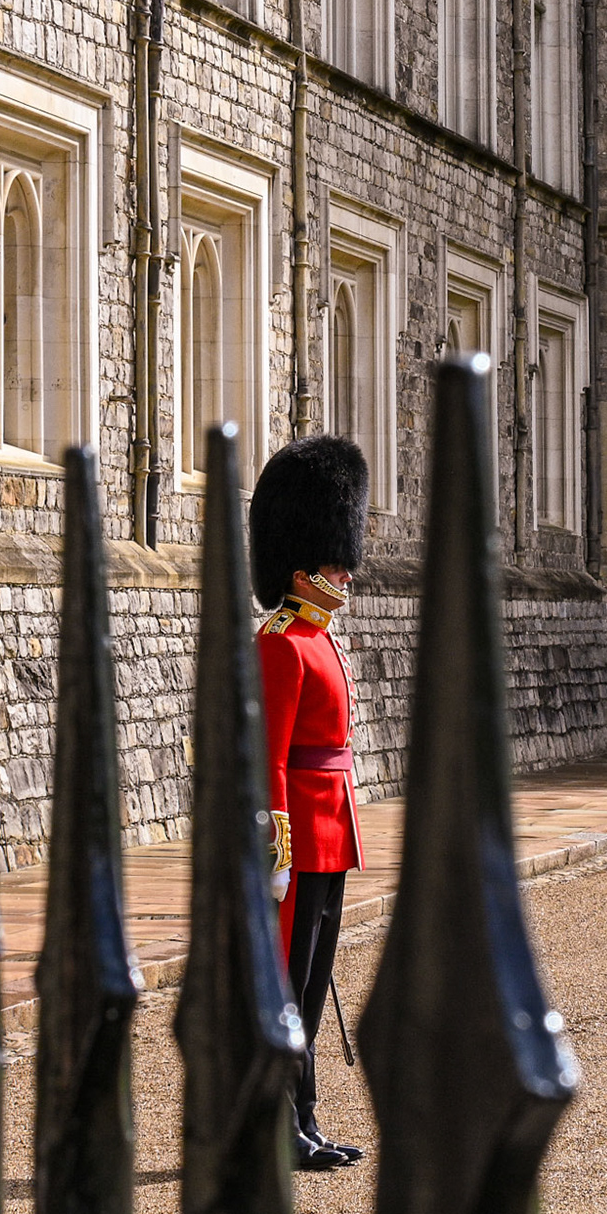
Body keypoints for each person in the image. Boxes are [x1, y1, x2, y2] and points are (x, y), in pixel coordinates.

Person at [250, 434, 370, 1172]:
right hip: (298, 836)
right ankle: (276, 1119)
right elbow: (269, 753)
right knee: (288, 985)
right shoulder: (282, 642)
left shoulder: (322, 639)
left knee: (314, 986)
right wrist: (274, 849)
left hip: (334, 831)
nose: (345, 572)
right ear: (301, 567)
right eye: (334, 561)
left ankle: (306, 1116)